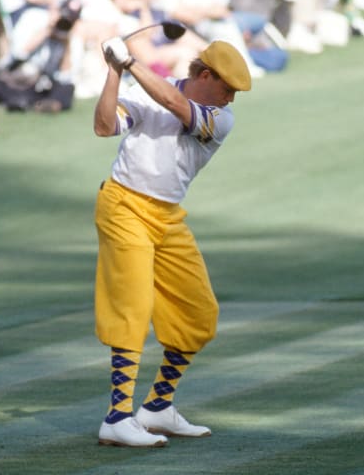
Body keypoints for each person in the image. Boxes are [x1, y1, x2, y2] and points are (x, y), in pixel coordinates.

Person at [93, 37, 251, 447]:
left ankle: (158, 407)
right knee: (132, 306)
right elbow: (104, 126)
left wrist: (130, 62)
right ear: (204, 75)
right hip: (123, 205)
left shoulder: (219, 118)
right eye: (228, 87)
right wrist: (113, 72)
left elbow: (177, 106)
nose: (232, 98)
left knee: (199, 314)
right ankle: (117, 417)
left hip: (167, 216)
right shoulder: (143, 90)